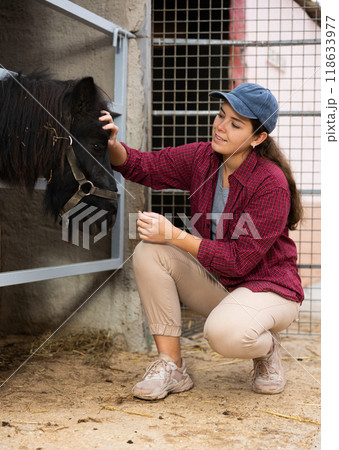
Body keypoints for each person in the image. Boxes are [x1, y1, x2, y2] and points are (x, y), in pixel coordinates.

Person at [99, 83, 304, 401]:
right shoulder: (203, 158)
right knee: (150, 251)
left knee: (223, 335)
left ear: (258, 138)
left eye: (235, 124)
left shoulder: (270, 182)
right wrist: (112, 144)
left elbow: (239, 260)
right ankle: (172, 366)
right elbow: (145, 166)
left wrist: (175, 235)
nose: (221, 127)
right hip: (224, 284)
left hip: (270, 290)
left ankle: (268, 348)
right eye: (221, 115)